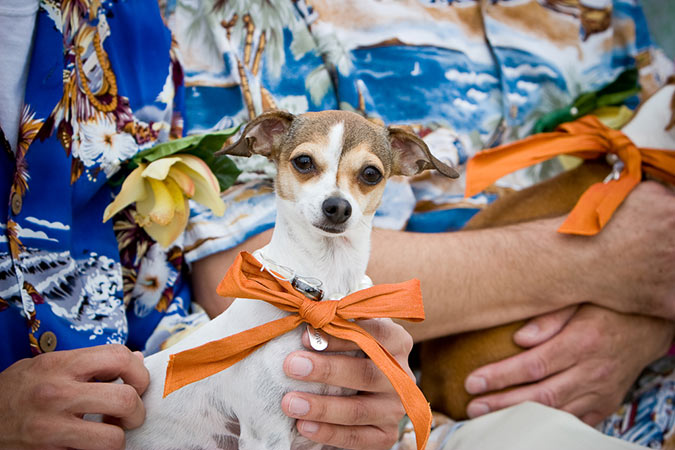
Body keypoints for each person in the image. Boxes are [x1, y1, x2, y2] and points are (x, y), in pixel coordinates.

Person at [171, 0, 675, 447]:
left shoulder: (608, 8)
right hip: (401, 418)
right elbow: (245, 275)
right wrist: (607, 260)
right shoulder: (246, 13)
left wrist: (649, 326)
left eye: (368, 175)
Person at [0, 1, 412, 449]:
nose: (337, 198)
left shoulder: (143, 24)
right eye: (306, 165)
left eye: (367, 175)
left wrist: (372, 398)